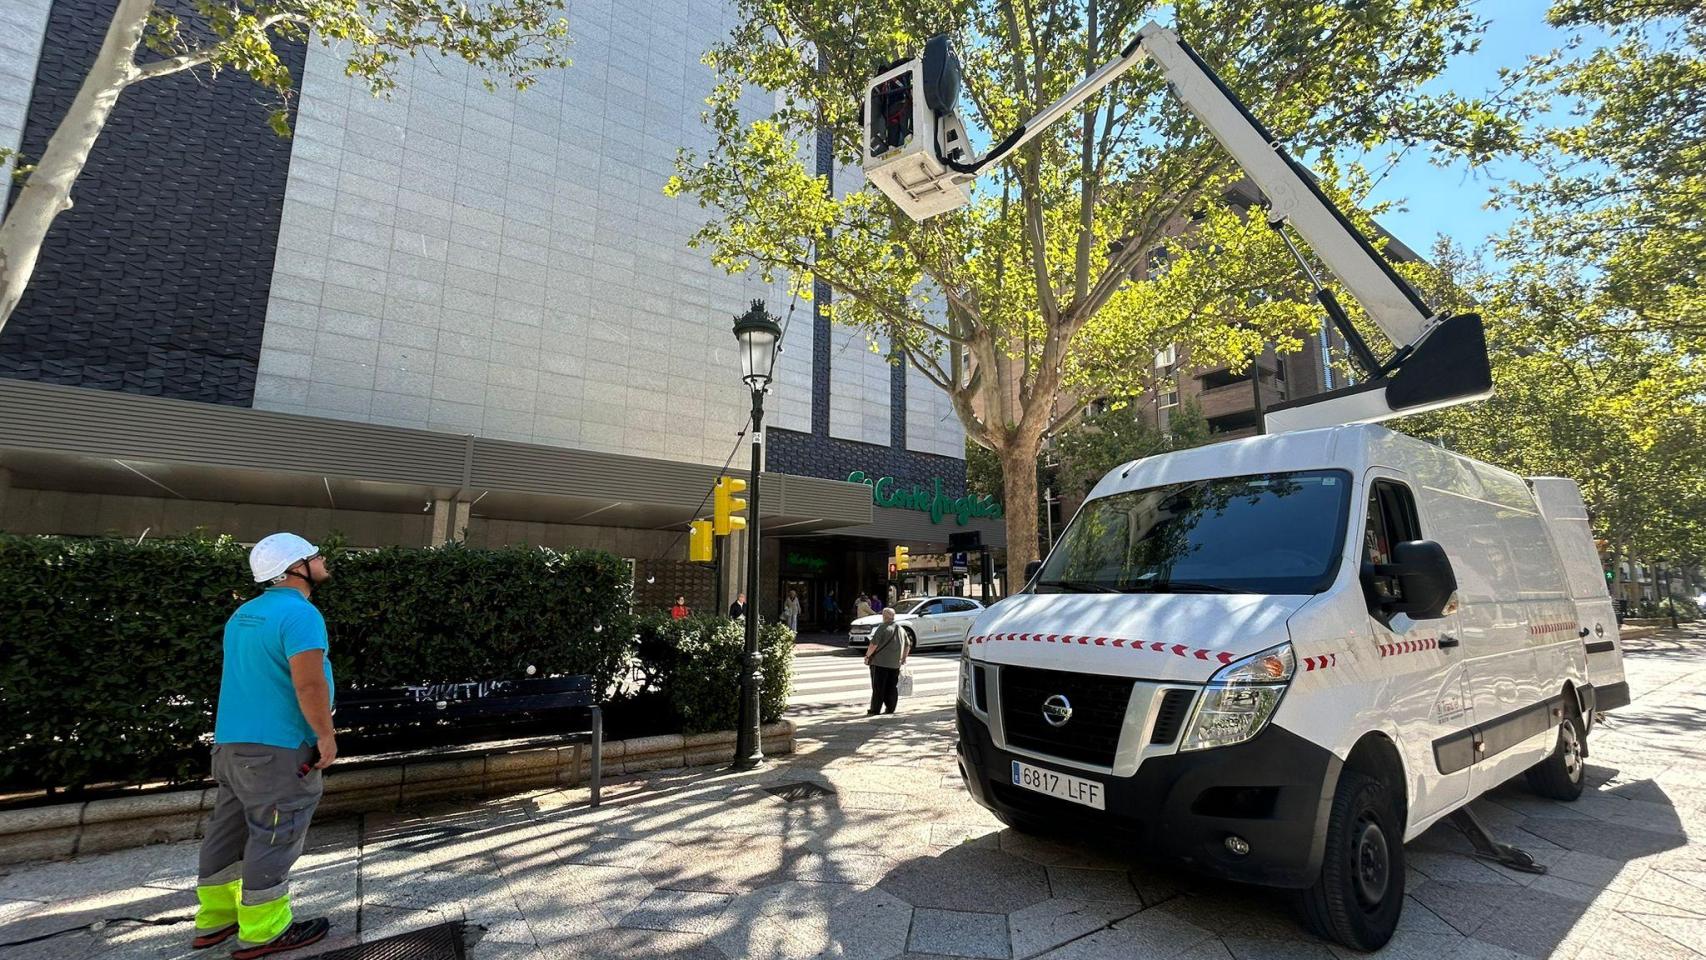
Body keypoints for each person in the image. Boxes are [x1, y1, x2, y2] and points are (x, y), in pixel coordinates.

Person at [192, 533, 335, 959]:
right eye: (313, 555)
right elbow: (308, 683)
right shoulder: (301, 614)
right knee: (276, 832)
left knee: (228, 830)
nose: (322, 559)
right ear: (296, 568)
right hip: (280, 748)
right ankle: (264, 930)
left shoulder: (244, 614)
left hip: (231, 745)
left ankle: (214, 920)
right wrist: (325, 735)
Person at [864, 607, 909, 715]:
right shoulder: (901, 629)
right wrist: (903, 658)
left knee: (878, 688)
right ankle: (891, 708)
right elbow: (908, 645)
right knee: (892, 687)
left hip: (880, 663)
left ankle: (875, 709)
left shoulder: (883, 627)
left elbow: (873, 644)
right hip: (895, 664)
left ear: (884, 616)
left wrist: (867, 656)